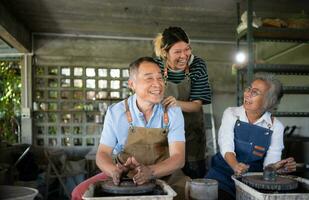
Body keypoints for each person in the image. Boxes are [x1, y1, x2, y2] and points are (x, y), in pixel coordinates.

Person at [71, 57, 188, 200]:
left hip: (163, 173)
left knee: (192, 193)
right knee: (78, 194)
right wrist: (114, 171)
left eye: (160, 77)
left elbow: (178, 158)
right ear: (132, 84)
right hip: (125, 176)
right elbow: (102, 154)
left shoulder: (172, 111)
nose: (157, 84)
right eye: (149, 78)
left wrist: (150, 171)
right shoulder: (115, 112)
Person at [206, 73, 297, 200]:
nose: (247, 94)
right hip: (221, 175)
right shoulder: (232, 113)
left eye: (255, 92)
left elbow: (270, 162)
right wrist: (235, 166)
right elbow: (226, 144)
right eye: (248, 89)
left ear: (268, 101)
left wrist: (276, 168)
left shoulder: (276, 126)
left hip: (252, 180)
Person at [153, 26, 212, 178]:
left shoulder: (197, 65)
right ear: (165, 53)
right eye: (177, 52)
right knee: (164, 178)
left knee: (193, 178)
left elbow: (196, 105)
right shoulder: (155, 66)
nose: (184, 56)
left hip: (192, 133)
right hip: (162, 132)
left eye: (187, 49)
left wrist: (175, 103)